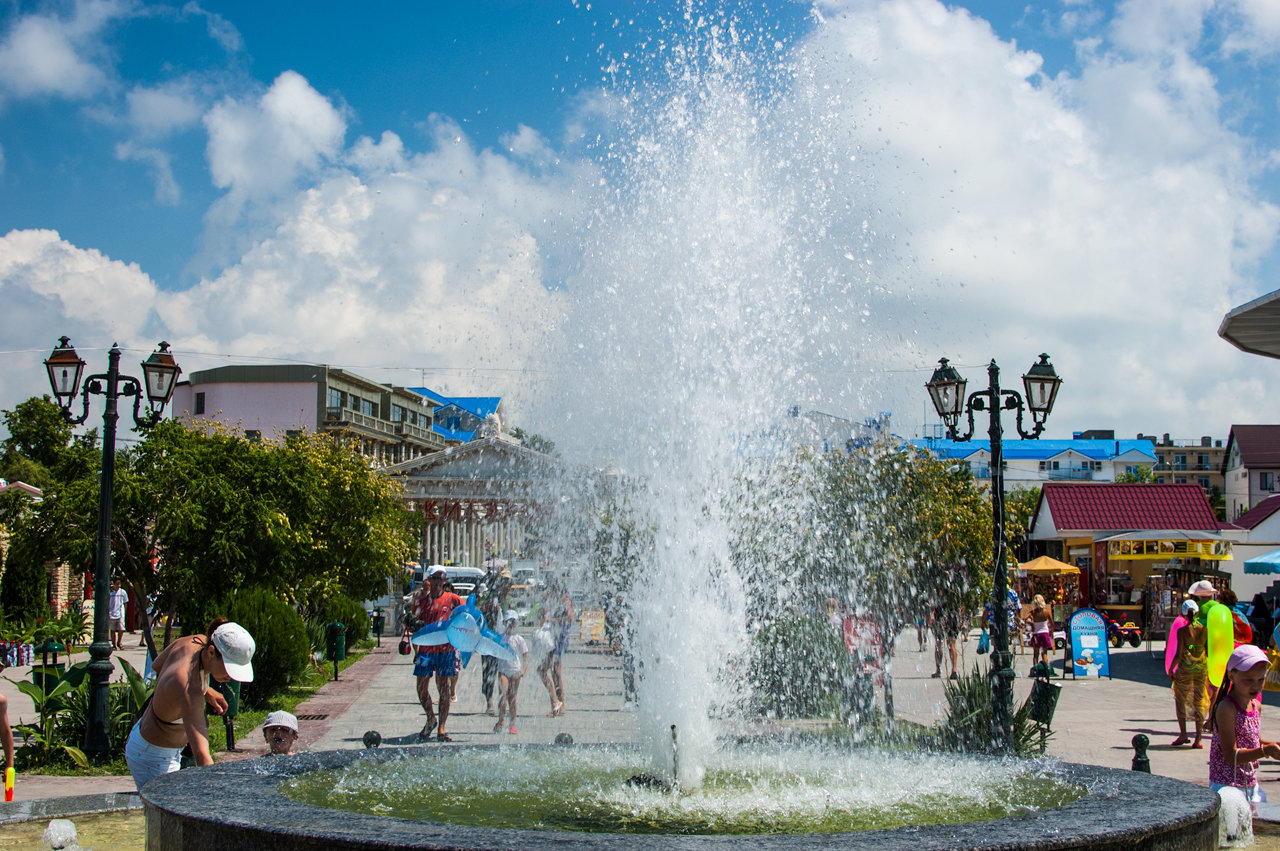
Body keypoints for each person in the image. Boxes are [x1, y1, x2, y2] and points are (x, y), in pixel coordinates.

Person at [124, 619, 255, 791]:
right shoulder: (189, 690)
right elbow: (201, 755)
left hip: (147, 739)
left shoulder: (194, 642)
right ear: (211, 652)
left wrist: (206, 690)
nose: (232, 677)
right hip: (154, 757)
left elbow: (158, 666)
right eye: (229, 668)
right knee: (168, 815)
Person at [1208, 644, 1280, 813]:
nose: (1256, 686)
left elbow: (1252, 740)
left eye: (1261, 680)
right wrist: (1265, 751)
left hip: (1250, 783)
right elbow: (1230, 754)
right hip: (1227, 785)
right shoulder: (1227, 708)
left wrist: (1273, 745)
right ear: (1231, 676)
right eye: (1249, 680)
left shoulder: (1256, 706)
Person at [409, 565, 463, 741]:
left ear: (444, 581)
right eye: (435, 578)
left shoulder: (452, 599)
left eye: (441, 578)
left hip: (445, 650)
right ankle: (430, 717)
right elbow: (413, 626)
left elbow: (467, 613)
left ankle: (441, 727)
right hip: (426, 650)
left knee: (444, 688)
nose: (438, 581)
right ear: (429, 580)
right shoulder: (421, 601)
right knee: (421, 688)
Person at [1170, 599, 1208, 748]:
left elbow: (1179, 654)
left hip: (1185, 669)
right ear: (1197, 612)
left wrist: (1171, 669)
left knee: (1181, 701)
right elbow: (1206, 650)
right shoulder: (1205, 630)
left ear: (1185, 615)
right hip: (1200, 669)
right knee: (1199, 701)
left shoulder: (1182, 631)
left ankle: (1183, 734)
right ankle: (1198, 739)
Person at [494, 610, 528, 735]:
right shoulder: (500, 637)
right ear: (504, 622)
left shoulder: (518, 639)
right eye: (509, 622)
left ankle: (512, 724)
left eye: (514, 622)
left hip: (515, 670)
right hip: (503, 670)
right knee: (503, 695)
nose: (511, 625)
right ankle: (501, 720)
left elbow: (525, 656)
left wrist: (523, 669)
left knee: (512, 699)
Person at [929, 605, 960, 680]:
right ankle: (950, 670)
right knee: (944, 645)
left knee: (945, 645)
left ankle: (948, 670)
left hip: (945, 616)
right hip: (947, 616)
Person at [1026, 595, 1054, 669]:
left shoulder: (1033, 612)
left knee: (1035, 654)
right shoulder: (1046, 612)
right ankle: (1046, 668)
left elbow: (1025, 619)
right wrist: (1051, 632)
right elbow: (1052, 623)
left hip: (1036, 634)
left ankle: (1035, 669)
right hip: (1045, 633)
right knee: (1044, 653)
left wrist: (1031, 624)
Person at [108, 578, 130, 651]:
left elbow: (125, 603)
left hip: (120, 613)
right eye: (117, 584)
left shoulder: (122, 592)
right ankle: (114, 644)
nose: (118, 586)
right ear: (113, 584)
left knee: (121, 629)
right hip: (111, 613)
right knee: (112, 629)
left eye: (119, 584)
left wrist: (125, 612)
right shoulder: (110, 593)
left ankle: (119, 642)